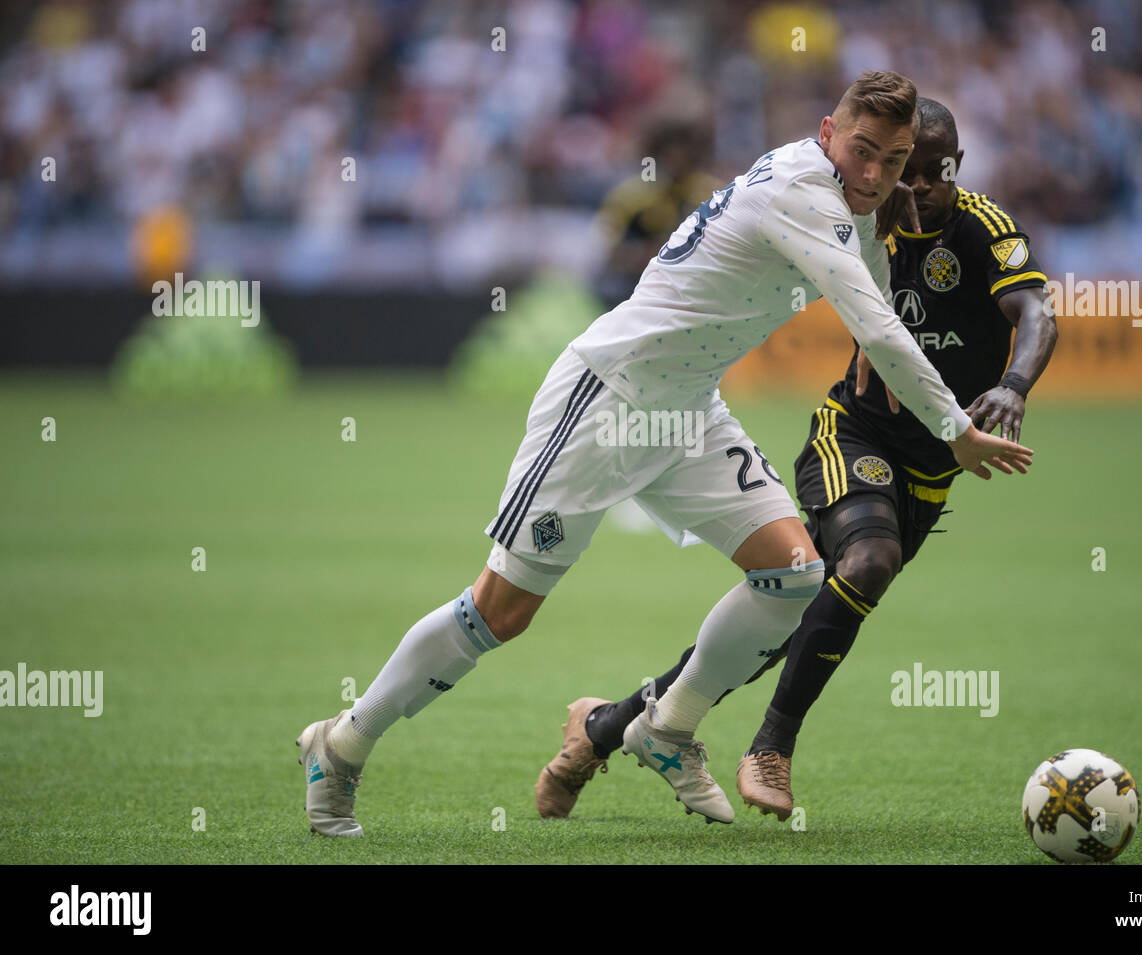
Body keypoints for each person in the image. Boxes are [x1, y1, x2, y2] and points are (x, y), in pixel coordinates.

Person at [298, 73, 1033, 835]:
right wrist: (956, 428)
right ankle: (343, 744)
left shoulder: (867, 205)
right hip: (606, 400)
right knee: (501, 611)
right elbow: (877, 327)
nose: (879, 175)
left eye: (898, 159)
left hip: (688, 411)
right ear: (826, 134)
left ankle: (666, 727)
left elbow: (877, 319)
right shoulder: (803, 190)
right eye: (865, 152)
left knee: (793, 576)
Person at [536, 97, 1056, 821]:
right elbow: (871, 324)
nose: (913, 189)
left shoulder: (981, 227)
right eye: (904, 173)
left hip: (932, 468)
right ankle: (771, 747)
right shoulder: (857, 217)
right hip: (854, 435)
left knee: (787, 620)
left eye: (930, 173)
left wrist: (1013, 385)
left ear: (953, 168)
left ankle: (603, 726)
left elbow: (1038, 309)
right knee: (864, 563)